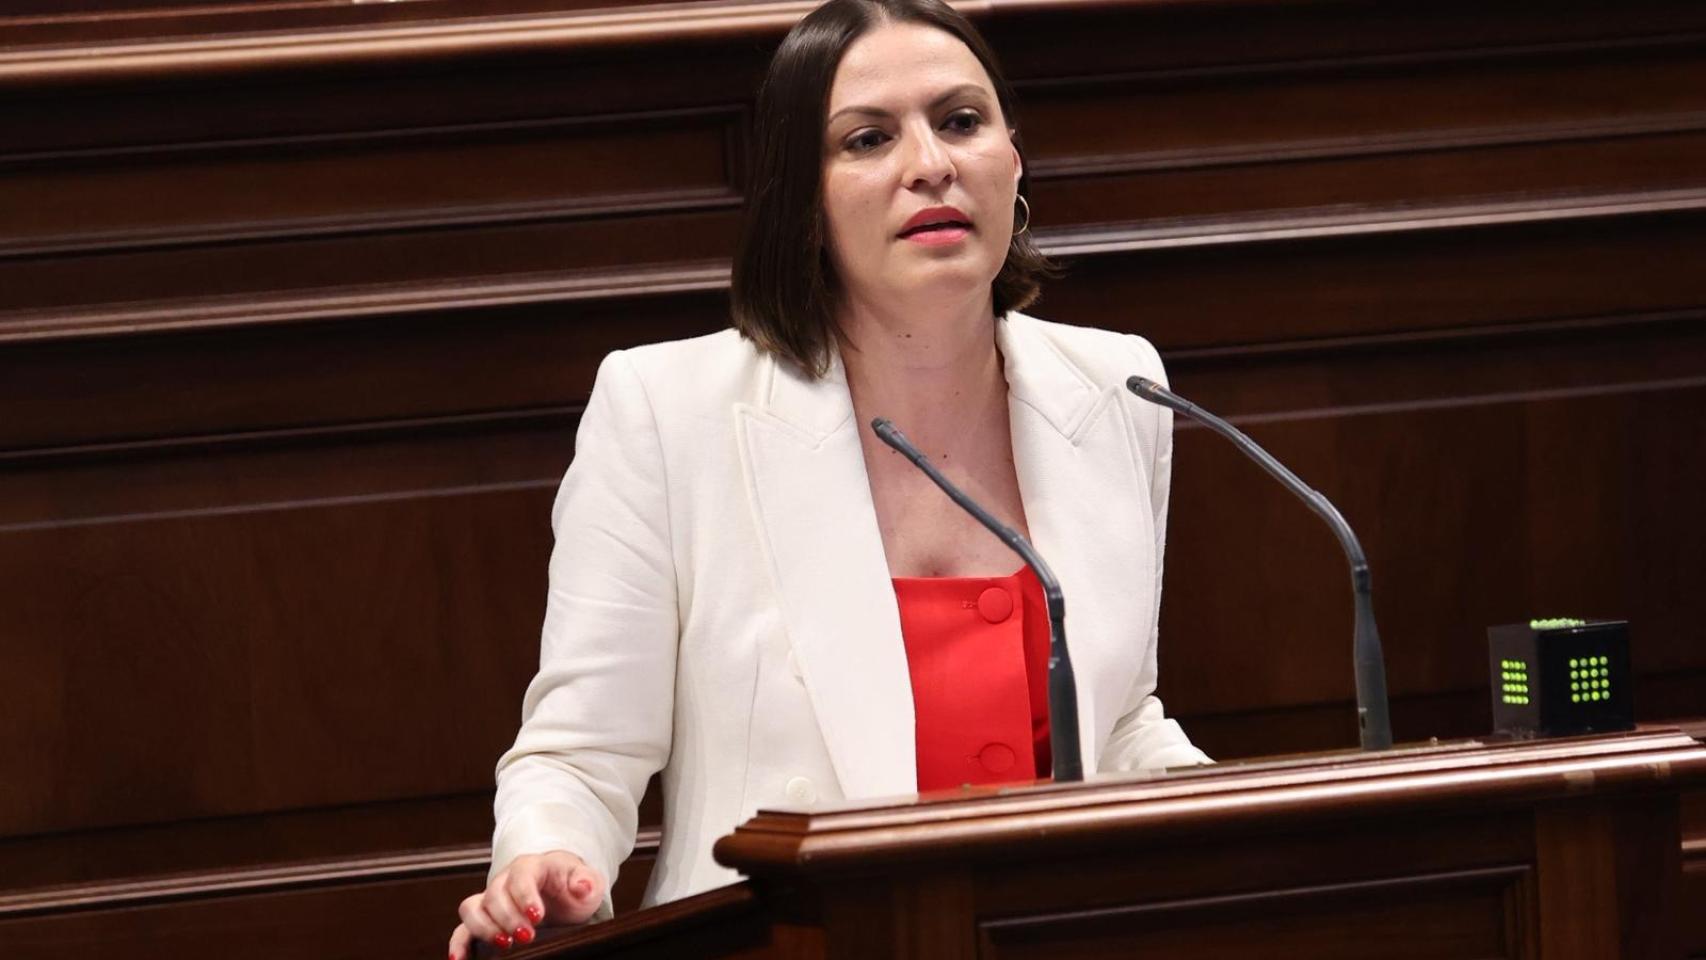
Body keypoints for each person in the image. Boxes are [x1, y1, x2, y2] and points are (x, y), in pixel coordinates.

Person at [448, 0, 1209, 953]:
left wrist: (1234, 827)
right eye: (868, 138)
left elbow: (1120, 715)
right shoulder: (667, 410)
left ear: (1014, 160)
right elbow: (579, 756)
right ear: (803, 200)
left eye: (962, 121)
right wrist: (545, 864)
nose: (930, 162)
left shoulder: (1112, 387)